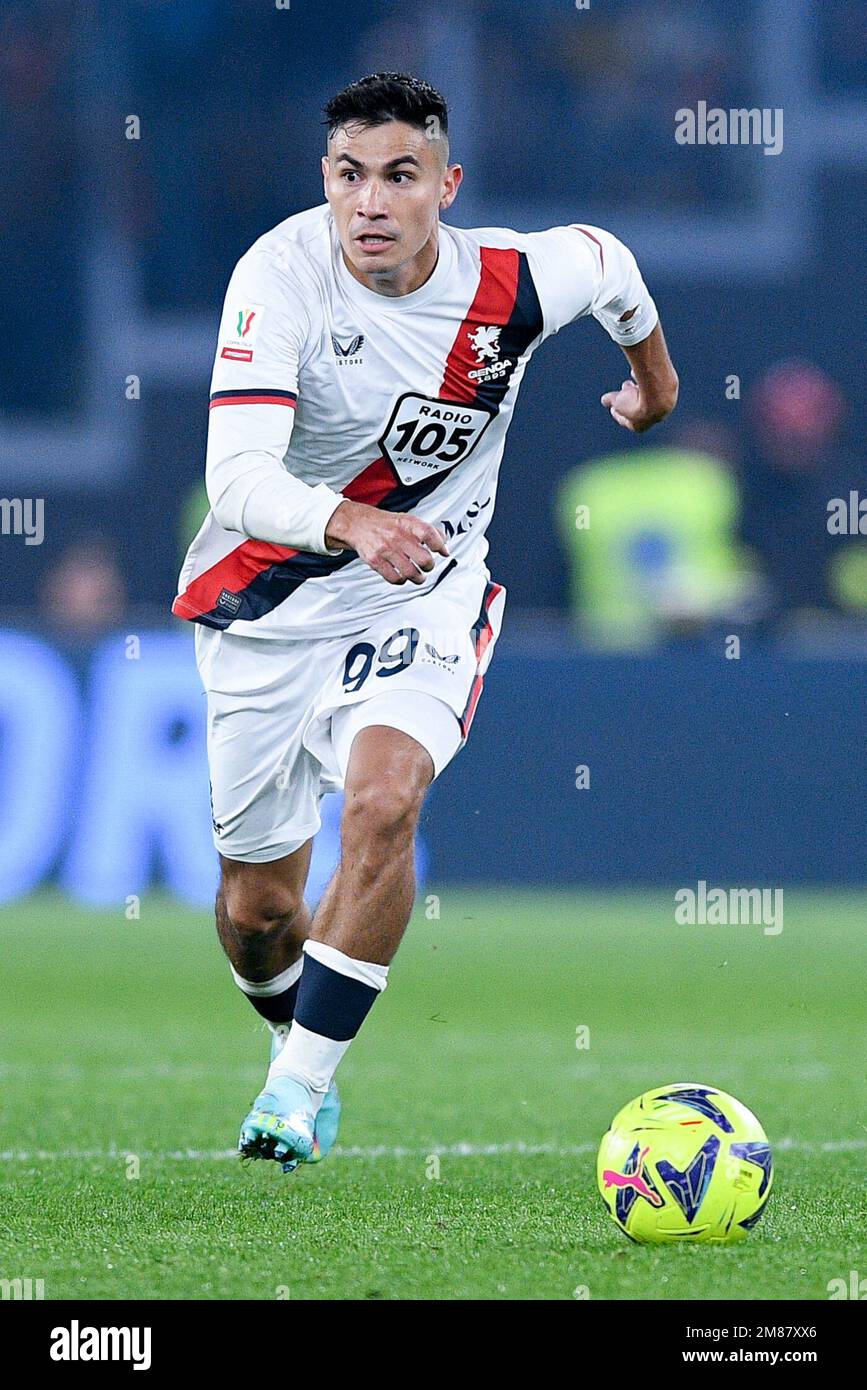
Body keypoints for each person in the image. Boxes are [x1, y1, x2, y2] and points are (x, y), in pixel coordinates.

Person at [172, 72, 678, 1172]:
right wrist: (352, 519)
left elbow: (616, 268)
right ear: (326, 181)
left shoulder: (517, 279)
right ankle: (293, 1031)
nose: (370, 202)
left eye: (399, 176)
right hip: (268, 605)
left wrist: (658, 385)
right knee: (259, 911)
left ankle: (296, 1094)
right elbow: (235, 476)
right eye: (350, 175)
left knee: (386, 799)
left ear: (445, 187)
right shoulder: (279, 274)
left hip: (427, 589)